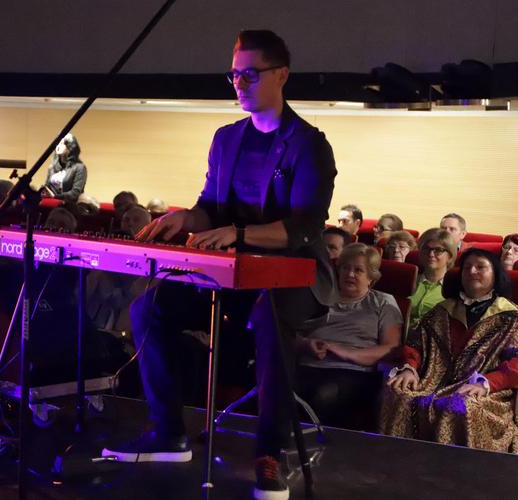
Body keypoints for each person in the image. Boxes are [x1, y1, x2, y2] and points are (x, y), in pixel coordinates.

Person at [101, 30, 337, 500]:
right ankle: (169, 434)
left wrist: (238, 233)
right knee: (149, 309)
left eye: (250, 74)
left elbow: (304, 227)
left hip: (295, 276)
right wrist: (186, 218)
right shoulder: (227, 139)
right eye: (234, 74)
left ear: (281, 75)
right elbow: (210, 206)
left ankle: (272, 453)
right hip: (232, 273)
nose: (239, 84)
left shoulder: (308, 144)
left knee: (270, 316)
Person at [380, 248, 518, 454]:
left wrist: (486, 383)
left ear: (495, 275)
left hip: (486, 389)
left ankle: (457, 468)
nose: (472, 271)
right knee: (398, 392)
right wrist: (409, 368)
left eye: (480, 267)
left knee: (459, 406)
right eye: (467, 267)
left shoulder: (514, 316)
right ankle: (398, 461)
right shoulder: (441, 310)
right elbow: (414, 345)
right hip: (432, 382)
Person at [296, 243, 402, 429]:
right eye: (345, 268)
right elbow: (289, 334)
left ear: (371, 277)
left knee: (323, 395)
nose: (350, 274)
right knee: (275, 390)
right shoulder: (320, 297)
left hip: (353, 371)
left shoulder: (383, 302)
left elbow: (391, 348)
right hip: (307, 364)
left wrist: (344, 352)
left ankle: (313, 443)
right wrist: (306, 344)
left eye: (358, 270)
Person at [407, 228, 456, 327]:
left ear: (450, 256)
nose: (431, 254)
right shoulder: (408, 280)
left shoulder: (455, 288)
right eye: (426, 249)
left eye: (438, 250)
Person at [42, 133, 87, 202]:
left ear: (70, 147)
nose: (58, 146)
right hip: (53, 204)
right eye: (58, 143)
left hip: (70, 205)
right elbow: (47, 186)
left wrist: (56, 197)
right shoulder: (52, 167)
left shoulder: (80, 168)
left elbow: (75, 193)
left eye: (62, 143)